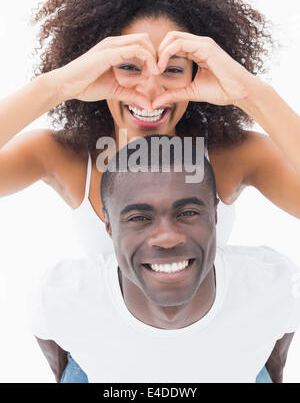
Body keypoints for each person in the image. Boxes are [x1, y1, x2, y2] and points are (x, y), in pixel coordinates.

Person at [1, 0, 299, 382]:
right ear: (97, 67)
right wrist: (58, 85)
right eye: (129, 67)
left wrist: (250, 93)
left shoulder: (232, 155)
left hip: (218, 354)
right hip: (109, 363)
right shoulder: (66, 156)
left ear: (201, 74)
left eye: (173, 70)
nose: (150, 89)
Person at [31, 136, 300, 383]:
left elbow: (277, 354)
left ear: (215, 215)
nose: (167, 238)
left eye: (188, 212)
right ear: (109, 226)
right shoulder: (63, 295)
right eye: (139, 218)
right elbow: (57, 354)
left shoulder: (274, 283)